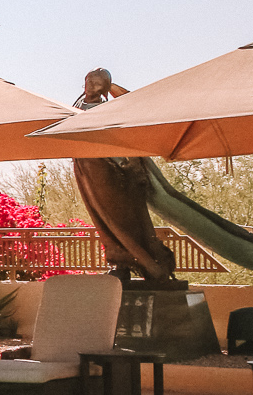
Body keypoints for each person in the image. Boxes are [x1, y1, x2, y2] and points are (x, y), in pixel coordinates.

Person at [71, 68, 183, 288]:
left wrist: (128, 164)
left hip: (110, 171)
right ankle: (118, 264)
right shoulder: (74, 108)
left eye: (96, 83)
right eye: (89, 81)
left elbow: (124, 137)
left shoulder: (110, 109)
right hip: (86, 169)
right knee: (102, 221)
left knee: (121, 220)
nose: (91, 85)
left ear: (104, 87)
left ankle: (150, 263)